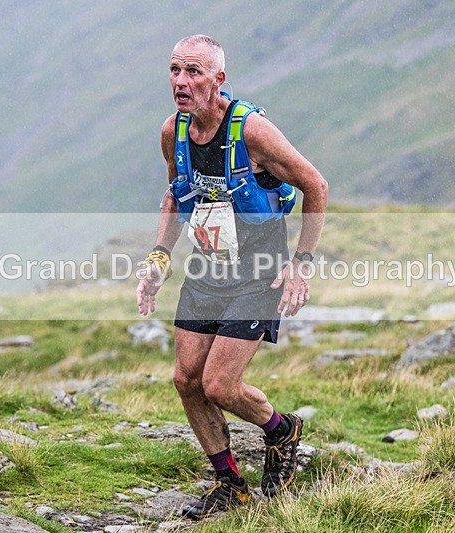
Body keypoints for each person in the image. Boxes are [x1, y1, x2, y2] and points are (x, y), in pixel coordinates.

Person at [136, 34, 327, 520]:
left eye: (193, 71)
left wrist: (301, 263)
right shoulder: (172, 132)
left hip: (258, 275)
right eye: (175, 70)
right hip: (206, 270)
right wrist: (160, 257)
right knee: (186, 380)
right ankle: (231, 484)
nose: (181, 81)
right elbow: (175, 196)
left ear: (218, 79)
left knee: (220, 384)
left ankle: (281, 430)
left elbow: (315, 186)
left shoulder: (252, 132)